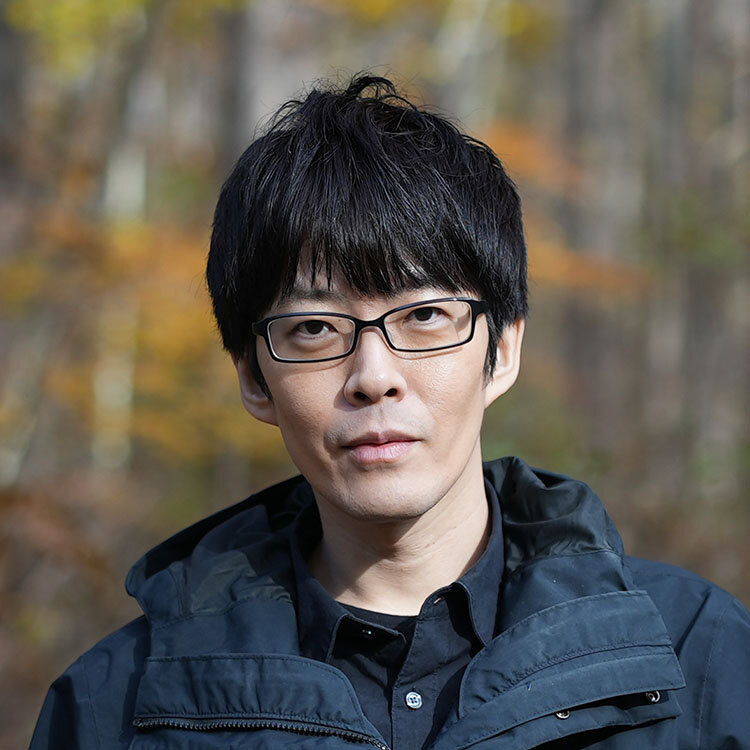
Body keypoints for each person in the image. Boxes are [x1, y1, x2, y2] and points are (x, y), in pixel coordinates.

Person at [31, 74, 749, 750]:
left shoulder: (698, 659)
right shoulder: (116, 707)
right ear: (253, 378)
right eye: (314, 328)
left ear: (501, 350)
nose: (374, 378)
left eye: (425, 316)